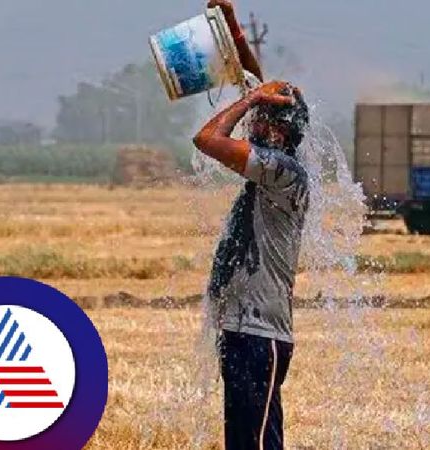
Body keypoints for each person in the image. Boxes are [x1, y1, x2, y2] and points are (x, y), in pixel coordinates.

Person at [194, 2, 310, 449]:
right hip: (244, 331)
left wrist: (251, 99)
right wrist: (233, 31)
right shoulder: (277, 164)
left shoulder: (282, 171)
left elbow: (207, 140)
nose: (253, 122)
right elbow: (257, 85)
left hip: (261, 337)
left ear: (279, 133)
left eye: (261, 118)